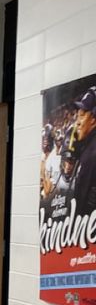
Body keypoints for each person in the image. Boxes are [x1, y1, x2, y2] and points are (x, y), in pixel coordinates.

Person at [72, 86, 96, 215]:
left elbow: (81, 205)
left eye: (82, 115)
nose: (77, 123)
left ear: (93, 119)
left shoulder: (91, 154)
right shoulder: (88, 147)